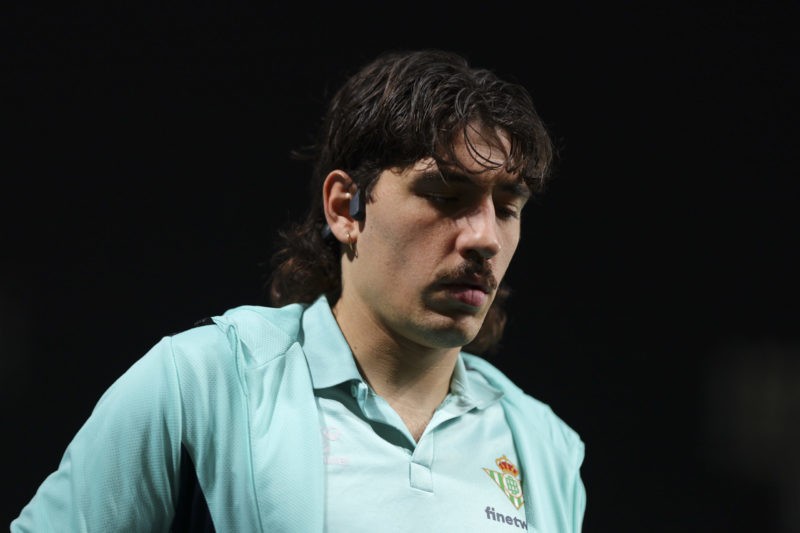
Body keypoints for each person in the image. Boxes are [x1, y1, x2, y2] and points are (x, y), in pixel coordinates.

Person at [11, 48, 586, 532]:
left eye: (507, 207)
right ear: (346, 208)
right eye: (444, 194)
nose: (485, 237)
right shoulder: (198, 387)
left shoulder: (545, 446)